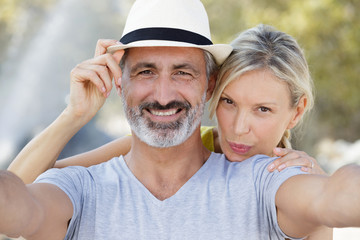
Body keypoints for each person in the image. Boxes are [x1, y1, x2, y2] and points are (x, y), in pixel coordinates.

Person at [1, 0, 360, 239]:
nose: (238, 127)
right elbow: (20, 193)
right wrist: (74, 114)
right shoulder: (89, 183)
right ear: (118, 82)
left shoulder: (273, 177)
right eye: (145, 71)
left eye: (183, 73)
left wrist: (320, 178)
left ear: (208, 85)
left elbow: (334, 196)